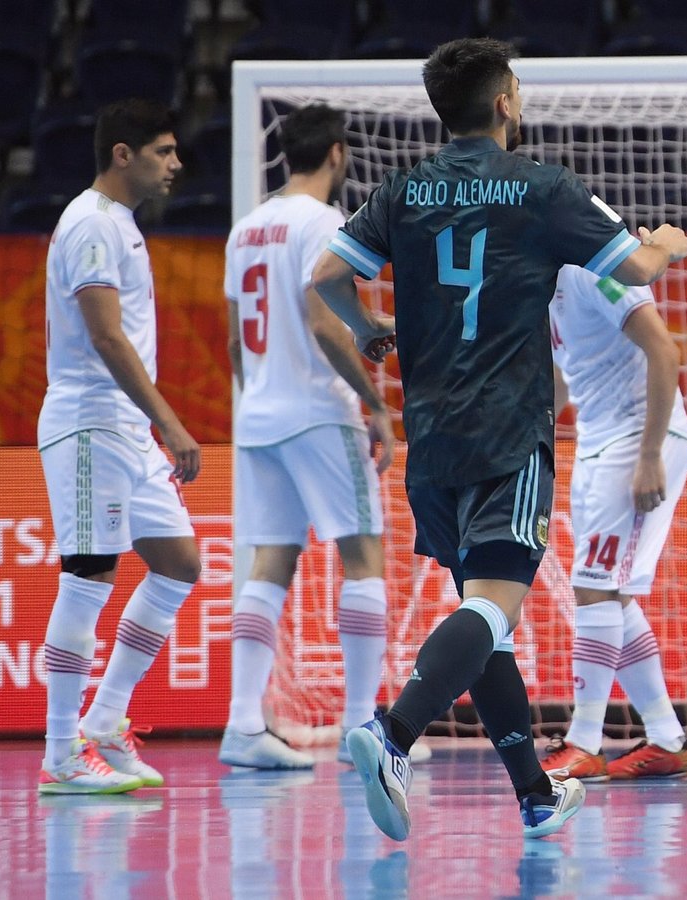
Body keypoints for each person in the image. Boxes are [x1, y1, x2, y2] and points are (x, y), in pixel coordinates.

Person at [311, 38, 687, 841]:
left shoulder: (403, 187)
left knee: (483, 616)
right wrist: (668, 241)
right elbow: (641, 271)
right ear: (505, 105)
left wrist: (368, 327)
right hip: (509, 430)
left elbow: (325, 278)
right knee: (491, 608)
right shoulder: (542, 189)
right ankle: (391, 734)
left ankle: (534, 793)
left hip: (433, 433)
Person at [218, 103, 414, 771]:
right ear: (337, 153)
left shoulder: (245, 228)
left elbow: (236, 340)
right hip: (317, 411)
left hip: (259, 414)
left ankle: (243, 724)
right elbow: (326, 325)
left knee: (269, 562)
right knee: (362, 559)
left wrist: (260, 397)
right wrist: (376, 405)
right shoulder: (324, 221)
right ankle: (363, 724)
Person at [36, 98, 198, 794]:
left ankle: (106, 719)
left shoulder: (122, 225)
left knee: (179, 564)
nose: (177, 164)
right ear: (123, 154)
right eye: (164, 151)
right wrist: (171, 419)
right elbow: (105, 338)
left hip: (124, 429)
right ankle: (60, 754)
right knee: (89, 574)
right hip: (88, 421)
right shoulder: (93, 225)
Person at [537, 265, 687, 781]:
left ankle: (585, 741)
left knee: (594, 587)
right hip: (598, 438)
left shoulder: (594, 260)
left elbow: (665, 350)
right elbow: (565, 372)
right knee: (609, 593)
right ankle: (667, 737)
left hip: (637, 435)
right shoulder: (538, 266)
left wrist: (650, 455)